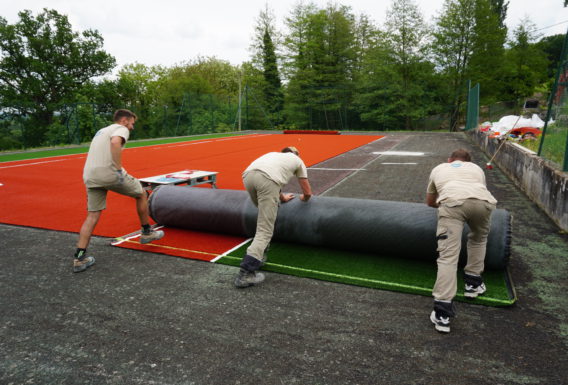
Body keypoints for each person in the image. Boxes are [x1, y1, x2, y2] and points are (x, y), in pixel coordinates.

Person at [73, 109, 164, 273]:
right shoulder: (120, 129)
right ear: (124, 120)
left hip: (90, 176)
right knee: (141, 193)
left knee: (92, 215)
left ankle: (79, 257)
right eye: (132, 123)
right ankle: (146, 232)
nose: (132, 127)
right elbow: (115, 143)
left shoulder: (101, 131)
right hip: (109, 174)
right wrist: (117, 167)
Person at [425, 148, 497, 333]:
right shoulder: (476, 169)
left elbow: (430, 201)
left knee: (448, 256)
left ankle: (442, 312)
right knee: (478, 239)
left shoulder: (439, 168)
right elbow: (476, 192)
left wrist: (443, 206)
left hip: (452, 202)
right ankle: (473, 283)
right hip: (484, 203)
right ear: (469, 161)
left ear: (449, 160)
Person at [235, 146, 313, 288]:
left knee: (264, 218)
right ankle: (246, 273)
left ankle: (260, 255)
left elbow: (270, 176)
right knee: (265, 229)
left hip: (248, 176)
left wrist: (281, 197)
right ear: (296, 154)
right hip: (266, 180)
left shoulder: (273, 155)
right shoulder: (297, 160)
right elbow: (307, 192)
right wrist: (304, 198)